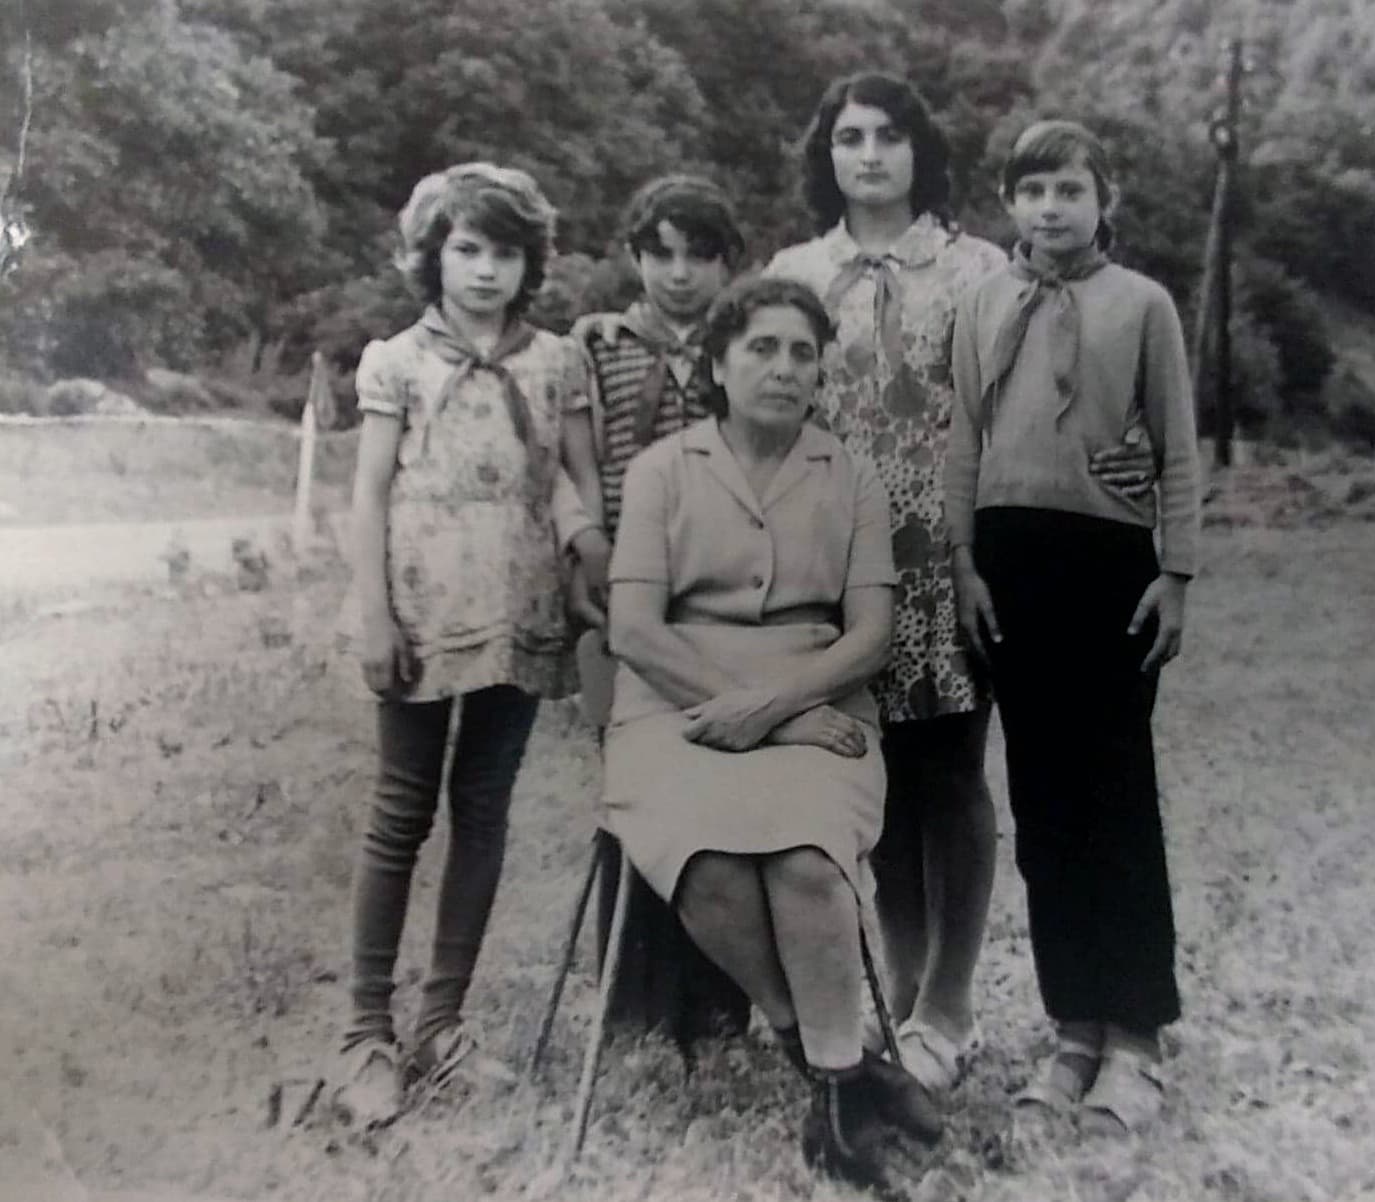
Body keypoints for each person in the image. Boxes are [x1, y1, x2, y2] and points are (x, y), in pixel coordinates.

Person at [766, 72, 1156, 1092]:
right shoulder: (797, 270)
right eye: (849, 136)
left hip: (954, 555)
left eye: (890, 135)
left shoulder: (981, 268)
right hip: (836, 555)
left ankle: (951, 998)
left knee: (951, 772)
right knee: (878, 781)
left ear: (919, 151)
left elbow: (1043, 400)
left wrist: (1119, 470)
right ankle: (905, 997)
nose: (870, 154)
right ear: (828, 154)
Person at [603, 276, 941, 1197]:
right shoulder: (662, 469)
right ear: (716, 363)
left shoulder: (850, 473)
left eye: (802, 353)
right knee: (707, 861)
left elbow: (869, 634)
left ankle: (833, 1098)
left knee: (802, 858)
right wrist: (764, 710)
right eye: (761, 349)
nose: (783, 369)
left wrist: (786, 705)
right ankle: (842, 1072)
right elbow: (633, 631)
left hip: (821, 701)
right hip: (675, 704)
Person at [331, 162, 608, 1127]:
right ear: (433, 256)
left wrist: (587, 566)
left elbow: (578, 483)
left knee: (483, 808)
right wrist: (375, 615)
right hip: (418, 606)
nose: (486, 271)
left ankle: (443, 1025)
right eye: (467, 250)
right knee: (400, 812)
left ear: (531, 262)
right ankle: (366, 1034)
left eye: (505, 252)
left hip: (521, 604)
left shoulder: (559, 361)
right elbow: (367, 495)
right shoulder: (397, 359)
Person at [945, 119, 1200, 1136]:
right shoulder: (983, 301)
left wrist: (1175, 570)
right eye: (1032, 190)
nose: (1051, 208)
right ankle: (1072, 1029)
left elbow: (1177, 445)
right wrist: (963, 564)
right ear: (1009, 203)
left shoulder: (1142, 305)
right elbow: (961, 435)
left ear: (1106, 200)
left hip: (1108, 565)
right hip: (1008, 566)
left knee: (1114, 794)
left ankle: (1135, 1032)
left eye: (1070, 189)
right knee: (1044, 805)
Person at [575, 174, 753, 1043]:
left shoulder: (746, 347)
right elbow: (577, 465)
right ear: (636, 258)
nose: (679, 274)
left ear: (728, 264)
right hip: (625, 593)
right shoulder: (600, 345)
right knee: (633, 783)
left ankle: (718, 992)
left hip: (719, 595)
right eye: (661, 255)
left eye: (699, 256)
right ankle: (632, 995)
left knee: (719, 784)